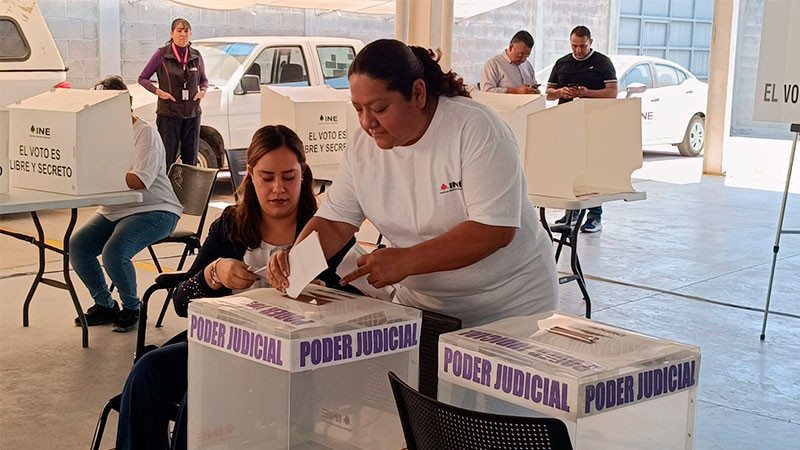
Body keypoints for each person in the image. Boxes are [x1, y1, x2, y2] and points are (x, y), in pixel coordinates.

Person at [267, 39, 559, 329]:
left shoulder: (476, 129)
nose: (368, 122)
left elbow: (493, 229)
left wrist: (406, 261)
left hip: (509, 307)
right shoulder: (361, 147)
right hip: (423, 305)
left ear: (418, 94)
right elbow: (334, 222)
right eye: (358, 109)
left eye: (379, 108)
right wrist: (295, 263)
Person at [115, 125, 356, 450]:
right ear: (251, 176)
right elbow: (182, 302)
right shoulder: (230, 226)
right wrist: (214, 274)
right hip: (222, 344)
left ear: (304, 175)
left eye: (289, 176)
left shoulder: (327, 235)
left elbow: (358, 309)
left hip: (293, 362)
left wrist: (321, 297)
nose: (278, 189)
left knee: (200, 395)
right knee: (147, 372)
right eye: (267, 177)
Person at [70, 76, 183, 332]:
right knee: (78, 246)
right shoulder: (101, 134)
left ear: (124, 106)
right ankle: (105, 306)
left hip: (154, 208)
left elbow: (139, 181)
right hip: (115, 208)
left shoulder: (144, 133)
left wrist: (95, 174)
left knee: (114, 252)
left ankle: (133, 308)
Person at [546, 25, 618, 233]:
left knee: (592, 169)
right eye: (574, 46)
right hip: (567, 122)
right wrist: (561, 92)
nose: (578, 51)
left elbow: (612, 92)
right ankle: (571, 213)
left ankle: (595, 216)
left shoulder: (602, 62)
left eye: (582, 46)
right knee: (571, 168)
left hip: (594, 122)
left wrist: (587, 92)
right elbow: (549, 93)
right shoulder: (562, 63)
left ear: (591, 43)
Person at [138, 18, 208, 168]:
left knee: (191, 159)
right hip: (169, 114)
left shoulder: (196, 55)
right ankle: (166, 189)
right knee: (167, 157)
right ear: (172, 33)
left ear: (190, 34)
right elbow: (143, 78)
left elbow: (204, 81)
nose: (183, 34)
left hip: (192, 113)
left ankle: (188, 190)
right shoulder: (161, 54)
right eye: (179, 31)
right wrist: (158, 92)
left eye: (186, 31)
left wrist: (202, 92)